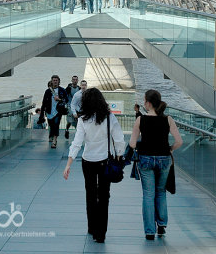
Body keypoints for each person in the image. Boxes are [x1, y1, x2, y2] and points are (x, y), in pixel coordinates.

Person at [63, 88, 125, 243]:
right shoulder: (109, 117)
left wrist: (69, 164)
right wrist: (119, 155)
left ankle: (91, 227)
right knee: (104, 196)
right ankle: (101, 232)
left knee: (90, 194)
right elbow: (118, 139)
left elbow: (77, 143)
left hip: (87, 161)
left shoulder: (83, 119)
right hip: (105, 160)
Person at [128, 89, 183, 240]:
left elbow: (132, 144)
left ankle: (149, 231)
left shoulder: (141, 120)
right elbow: (179, 141)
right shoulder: (168, 119)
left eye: (144, 100)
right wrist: (170, 149)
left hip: (145, 159)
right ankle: (162, 225)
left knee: (148, 194)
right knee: (160, 192)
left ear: (148, 103)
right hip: (164, 159)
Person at [39, 75, 68, 149]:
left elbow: (66, 100)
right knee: (51, 125)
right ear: (51, 81)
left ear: (59, 81)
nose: (55, 82)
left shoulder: (62, 90)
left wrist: (60, 100)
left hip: (58, 111)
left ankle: (54, 140)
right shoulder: (48, 91)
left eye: (56, 80)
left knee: (56, 124)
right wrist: (42, 114)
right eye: (54, 80)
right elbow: (44, 103)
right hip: (49, 111)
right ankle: (51, 135)